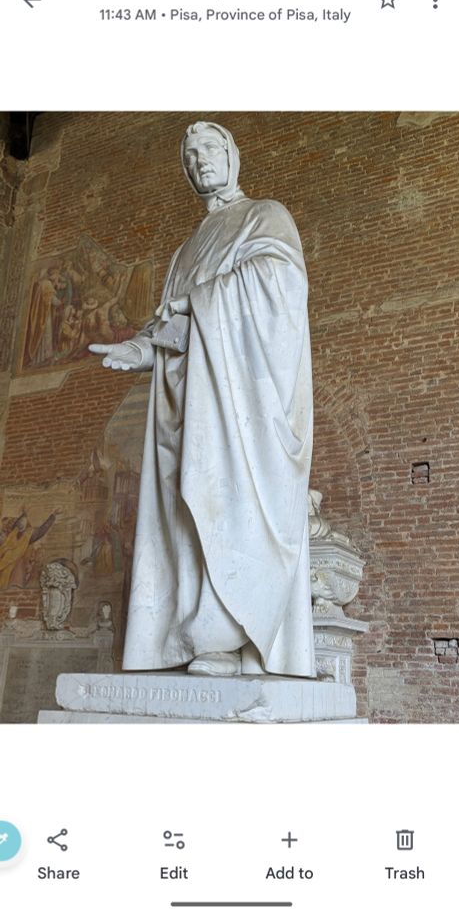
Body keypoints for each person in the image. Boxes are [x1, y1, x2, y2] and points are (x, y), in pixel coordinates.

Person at [90, 122, 315, 678]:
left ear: (233, 156)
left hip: (241, 412)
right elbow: (171, 324)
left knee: (228, 509)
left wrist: (197, 302)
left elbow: (280, 285)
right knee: (188, 515)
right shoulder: (185, 250)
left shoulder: (266, 215)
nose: (199, 162)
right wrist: (141, 349)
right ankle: (190, 637)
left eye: (209, 150)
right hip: (190, 407)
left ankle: (226, 639)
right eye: (190, 156)